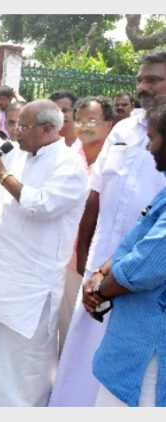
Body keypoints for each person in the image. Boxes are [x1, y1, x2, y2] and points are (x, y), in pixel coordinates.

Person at [50, 49, 166, 407]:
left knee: (134, 372)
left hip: (145, 280)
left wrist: (109, 282)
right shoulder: (124, 129)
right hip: (102, 266)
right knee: (82, 355)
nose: (143, 87)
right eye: (140, 79)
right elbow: (95, 195)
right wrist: (89, 262)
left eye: (154, 80)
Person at [0, 99, 88, 406]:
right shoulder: (18, 152)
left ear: (47, 129)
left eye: (23, 126)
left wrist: (3, 175)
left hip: (31, 283)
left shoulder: (70, 165)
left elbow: (41, 205)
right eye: (14, 125)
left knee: (25, 358)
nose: (15, 132)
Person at [83, 95, 166, 407]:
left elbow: (145, 265)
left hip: (147, 353)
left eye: (153, 139)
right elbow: (134, 238)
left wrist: (98, 290)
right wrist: (100, 272)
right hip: (130, 341)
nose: (149, 147)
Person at [56, 95, 115, 353]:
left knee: (90, 333)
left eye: (91, 121)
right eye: (79, 121)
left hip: (98, 260)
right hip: (64, 257)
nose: (83, 127)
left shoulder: (115, 163)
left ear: (109, 125)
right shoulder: (67, 157)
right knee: (64, 329)